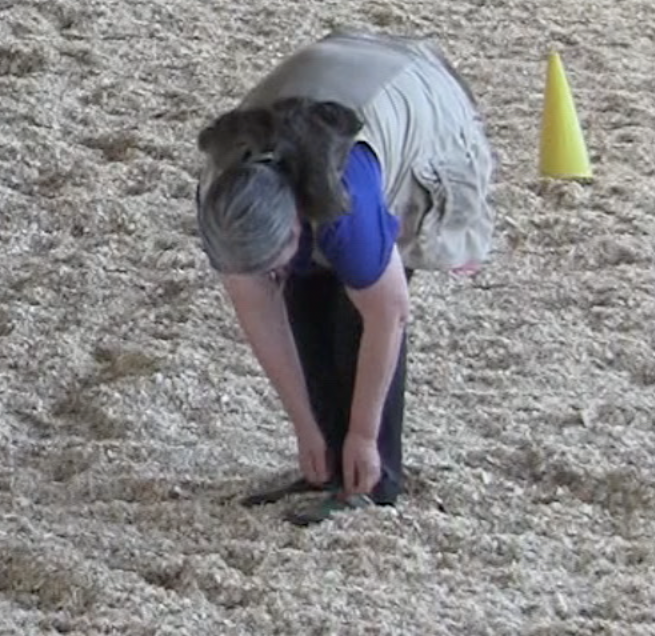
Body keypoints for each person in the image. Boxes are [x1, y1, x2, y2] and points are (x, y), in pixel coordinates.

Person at [192, 29, 497, 525]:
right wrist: (305, 428)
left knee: (350, 315)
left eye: (280, 253)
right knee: (301, 295)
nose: (271, 273)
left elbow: (388, 316)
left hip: (412, 90)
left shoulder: (345, 200)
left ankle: (372, 480)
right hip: (333, 75)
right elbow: (262, 315)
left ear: (296, 218)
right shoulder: (222, 198)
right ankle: (328, 467)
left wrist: (361, 433)